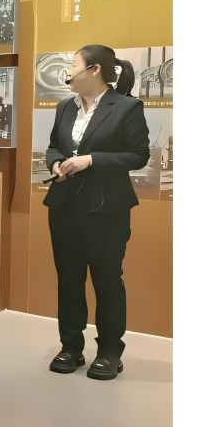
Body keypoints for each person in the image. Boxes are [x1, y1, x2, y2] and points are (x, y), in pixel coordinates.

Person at [43, 45, 150, 381]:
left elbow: (139, 155)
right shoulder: (65, 106)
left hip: (107, 209)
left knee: (107, 281)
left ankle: (109, 353)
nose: (67, 72)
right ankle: (71, 347)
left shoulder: (127, 107)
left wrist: (91, 160)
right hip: (64, 206)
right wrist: (56, 163)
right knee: (68, 281)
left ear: (95, 70)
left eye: (73, 64)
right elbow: (53, 147)